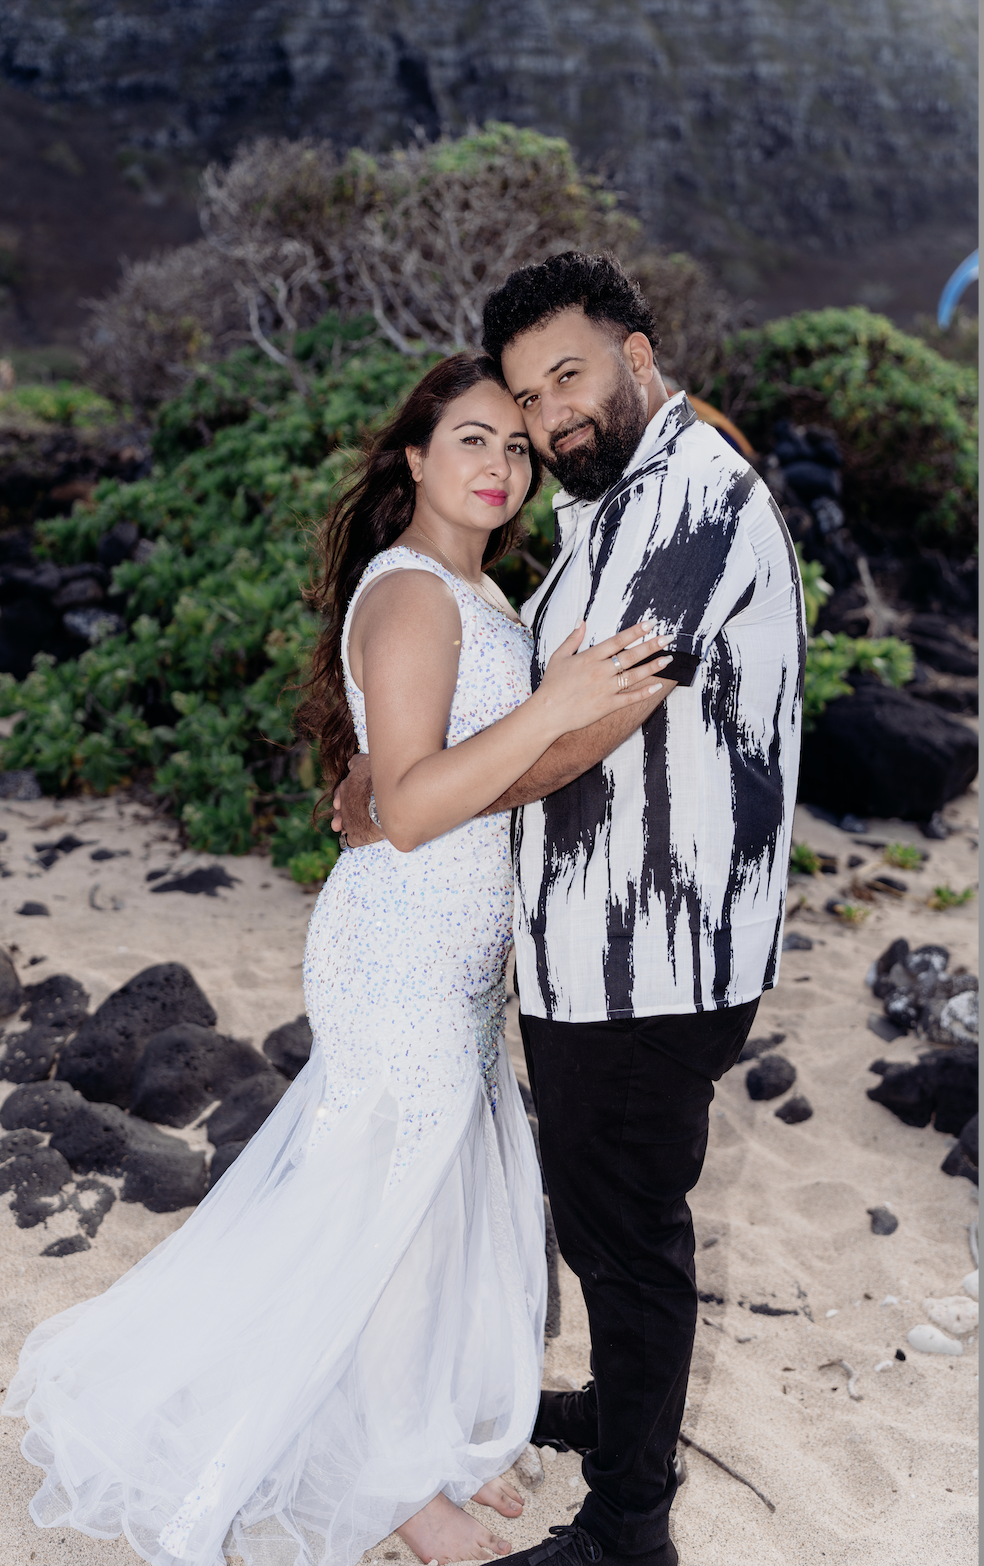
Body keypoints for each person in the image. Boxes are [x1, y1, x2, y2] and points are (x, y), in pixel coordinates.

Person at [3, 351, 671, 1566]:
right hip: (399, 948)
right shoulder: (411, 591)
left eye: (516, 446)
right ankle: (395, 1487)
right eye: (472, 439)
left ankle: (410, 1444)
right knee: (384, 1220)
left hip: (459, 955)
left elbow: (445, 781)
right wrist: (561, 701)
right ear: (414, 457)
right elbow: (414, 809)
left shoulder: (490, 602)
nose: (501, 466)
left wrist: (560, 712)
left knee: (415, 1209)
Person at [334, 254, 806, 1566]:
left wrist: (410, 801)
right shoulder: (615, 501)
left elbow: (589, 721)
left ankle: (627, 1526)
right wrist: (396, 777)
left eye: (570, 377)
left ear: (638, 355)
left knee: (632, 1227)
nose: (551, 417)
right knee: (605, 1213)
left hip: (652, 948)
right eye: (529, 397)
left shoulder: (690, 492)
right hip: (590, 943)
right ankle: (619, 1409)